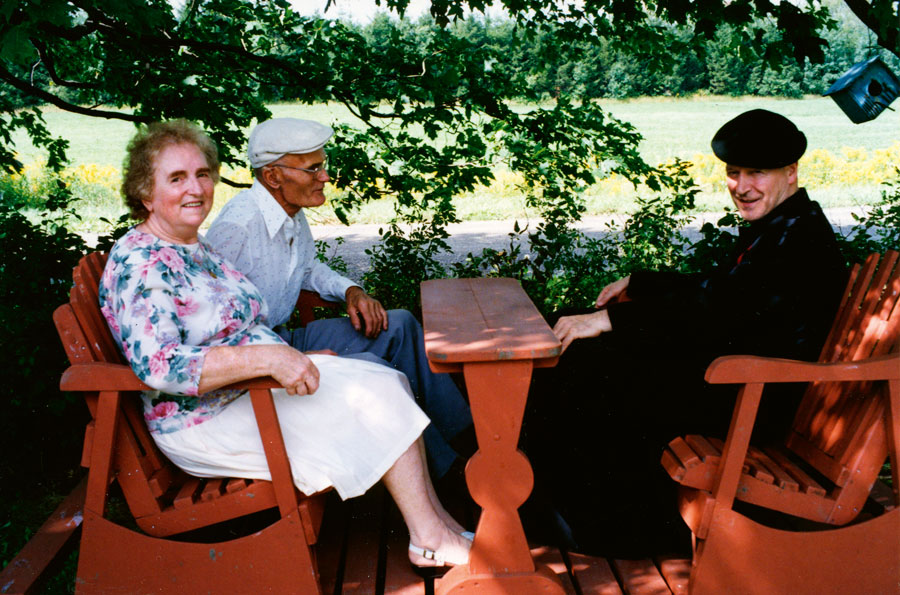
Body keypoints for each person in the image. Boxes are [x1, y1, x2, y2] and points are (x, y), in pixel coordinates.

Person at [99, 120, 471, 573]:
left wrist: (292, 355)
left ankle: (440, 526)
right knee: (371, 396)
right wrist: (271, 357)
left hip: (246, 390)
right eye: (176, 178)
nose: (195, 188)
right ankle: (429, 537)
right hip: (201, 420)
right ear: (144, 191)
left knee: (383, 377)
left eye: (202, 174)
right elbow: (159, 365)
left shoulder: (192, 247)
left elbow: (246, 321)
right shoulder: (140, 262)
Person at [522, 109, 848, 557]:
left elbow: (718, 309)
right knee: (575, 330)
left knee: (586, 362)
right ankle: (553, 501)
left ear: (790, 174)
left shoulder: (799, 240)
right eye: (734, 173)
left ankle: (585, 521)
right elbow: (723, 291)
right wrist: (640, 285)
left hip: (753, 398)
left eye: (758, 173)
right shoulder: (784, 225)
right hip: (734, 377)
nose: (742, 186)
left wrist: (612, 321)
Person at [206, 118, 472, 480]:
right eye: (313, 168)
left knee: (400, 325)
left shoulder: (288, 213)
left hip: (286, 339)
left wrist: (351, 291)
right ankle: (451, 475)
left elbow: (308, 269)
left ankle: (473, 442)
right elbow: (214, 328)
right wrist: (283, 357)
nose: (325, 177)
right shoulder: (237, 228)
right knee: (373, 369)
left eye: (323, 165)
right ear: (272, 177)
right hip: (262, 360)